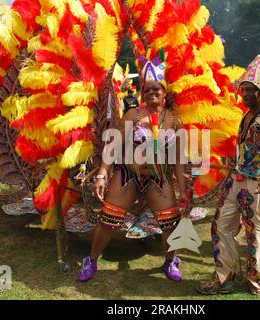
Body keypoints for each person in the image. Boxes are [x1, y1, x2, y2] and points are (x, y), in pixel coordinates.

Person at [78, 58, 188, 283]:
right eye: (146, 90)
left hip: (158, 177)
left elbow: (178, 159)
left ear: (164, 91)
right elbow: (113, 145)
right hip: (128, 175)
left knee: (171, 222)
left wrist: (183, 190)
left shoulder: (175, 121)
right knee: (108, 219)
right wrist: (101, 174)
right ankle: (91, 260)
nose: (151, 93)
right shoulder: (132, 115)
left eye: (156, 89)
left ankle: (170, 261)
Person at [197, 55, 260, 295]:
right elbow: (244, 148)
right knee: (220, 225)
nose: (244, 94)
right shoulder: (245, 117)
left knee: (256, 230)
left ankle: (256, 278)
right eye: (243, 90)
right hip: (236, 180)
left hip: (257, 183)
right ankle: (225, 275)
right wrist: (231, 161)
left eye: (249, 90)